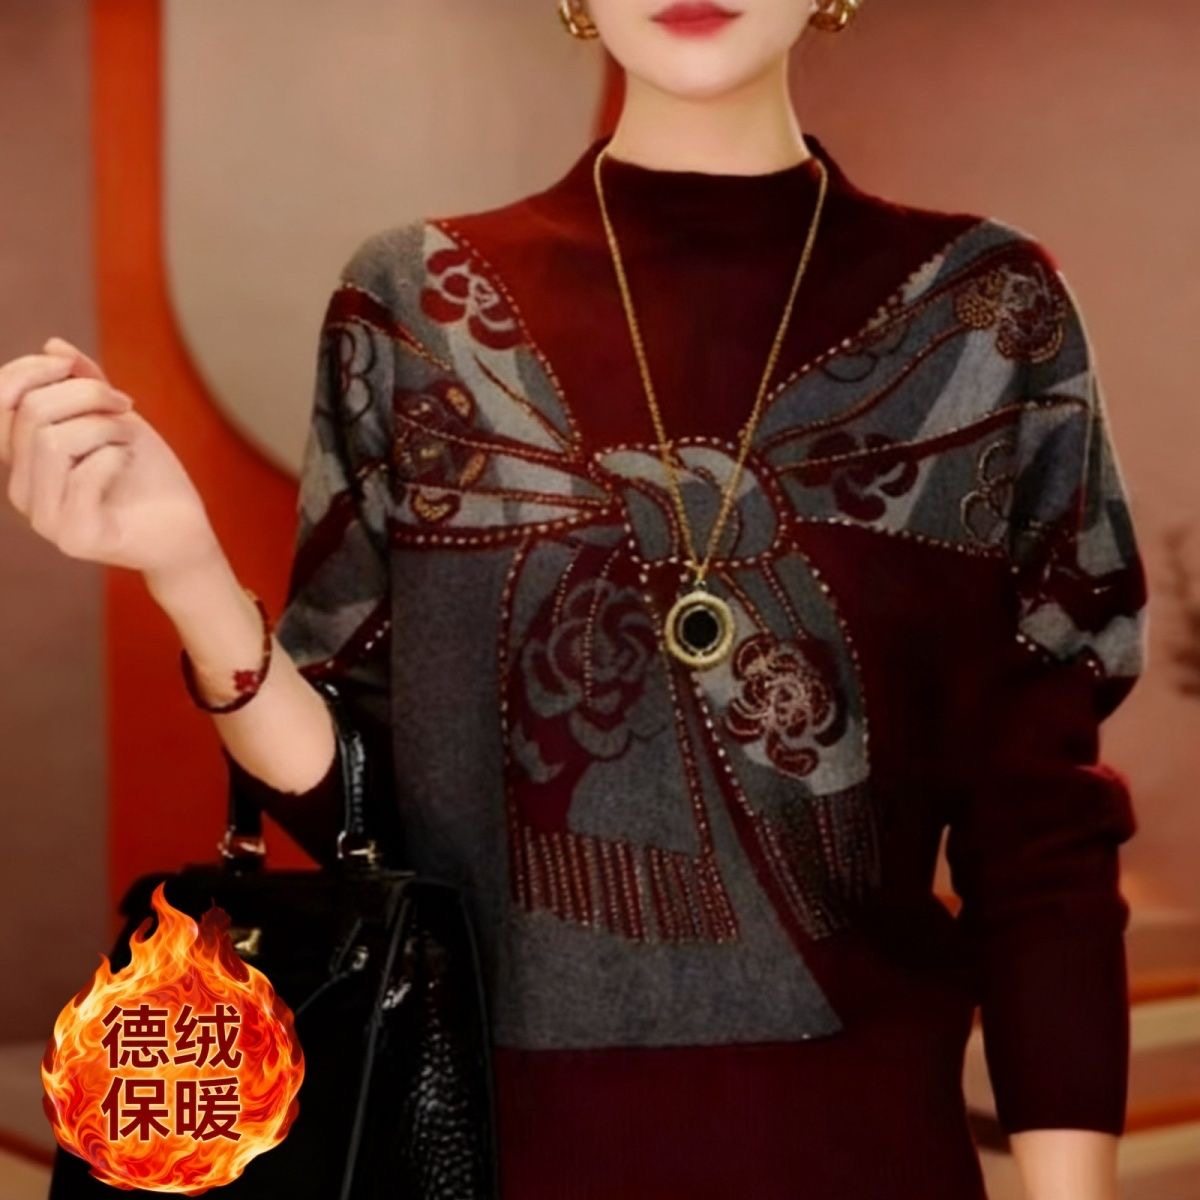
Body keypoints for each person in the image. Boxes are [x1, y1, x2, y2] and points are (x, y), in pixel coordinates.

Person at [0, 0, 1148, 1196]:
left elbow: (1040, 826)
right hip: (489, 1151)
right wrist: (185, 570)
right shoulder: (418, 309)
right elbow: (366, 810)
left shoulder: (982, 315)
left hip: (859, 1150)